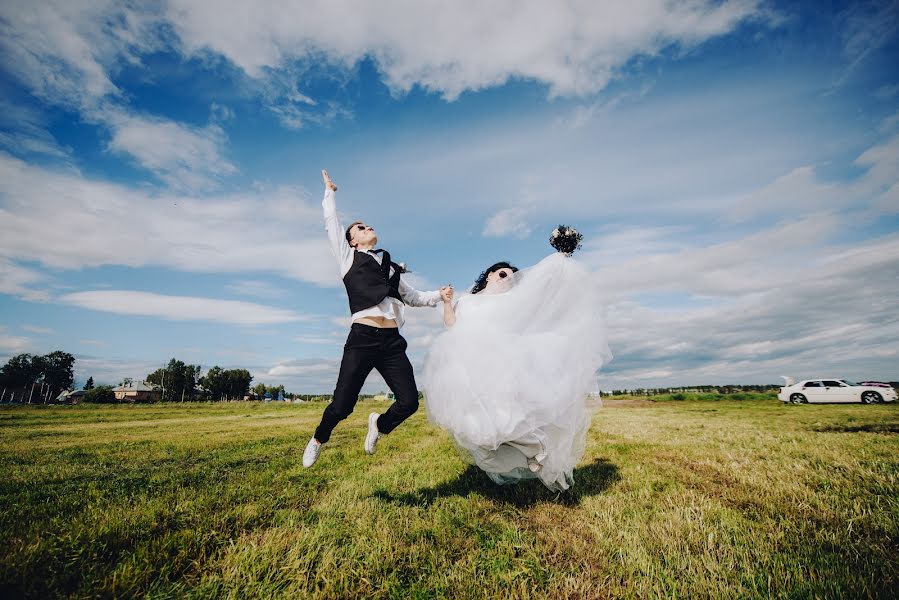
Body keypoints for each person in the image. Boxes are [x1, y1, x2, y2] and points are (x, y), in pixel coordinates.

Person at [424, 250, 611, 491]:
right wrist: (448, 302)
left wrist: (560, 263)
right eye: (503, 274)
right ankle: (535, 455)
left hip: (502, 372)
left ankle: (538, 449)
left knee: (506, 423)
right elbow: (451, 325)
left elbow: (547, 293)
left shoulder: (513, 301)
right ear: (490, 275)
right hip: (469, 373)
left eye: (513, 278)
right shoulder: (467, 300)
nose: (507, 279)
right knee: (480, 441)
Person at [303, 170, 449, 468]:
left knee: (409, 402)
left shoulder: (390, 265)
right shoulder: (347, 259)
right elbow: (332, 223)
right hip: (363, 338)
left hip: (392, 342)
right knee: (342, 405)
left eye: (367, 225)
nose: (366, 226)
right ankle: (318, 438)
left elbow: (413, 297)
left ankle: (379, 425)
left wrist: (440, 294)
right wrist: (329, 192)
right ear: (352, 241)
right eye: (359, 227)